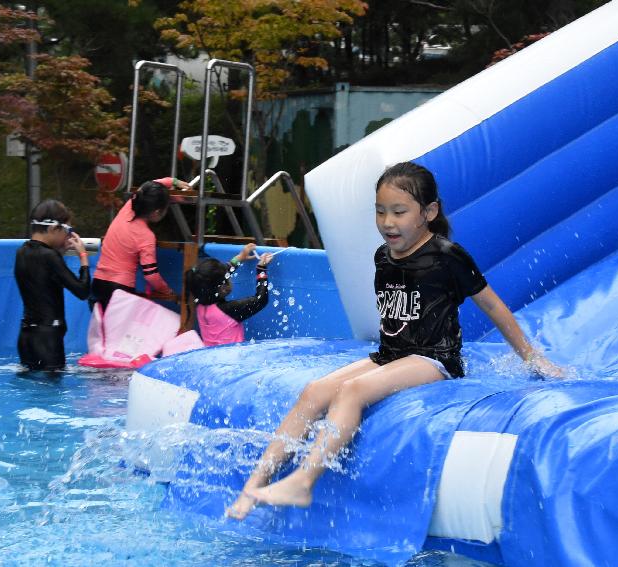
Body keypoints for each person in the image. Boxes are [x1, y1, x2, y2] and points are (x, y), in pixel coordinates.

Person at [226, 161, 562, 519]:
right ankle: (253, 485)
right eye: (380, 211)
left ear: (429, 212)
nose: (388, 222)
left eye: (399, 212)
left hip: (434, 360)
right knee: (314, 391)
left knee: (352, 391)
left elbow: (493, 305)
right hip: (391, 355)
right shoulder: (383, 256)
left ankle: (303, 482)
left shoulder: (447, 257)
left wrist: (531, 357)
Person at [15, 199, 90, 371]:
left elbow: (42, 279)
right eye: (67, 231)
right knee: (52, 393)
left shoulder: (21, 252)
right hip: (49, 339)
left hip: (26, 337)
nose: (68, 236)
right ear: (52, 229)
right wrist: (83, 257)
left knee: (29, 391)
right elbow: (82, 291)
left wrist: (58, 253)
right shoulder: (50, 257)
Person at [91, 177, 188, 310]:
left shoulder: (128, 208)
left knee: (101, 331)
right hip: (120, 290)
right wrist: (168, 292)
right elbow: (151, 276)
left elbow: (148, 186)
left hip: (97, 285)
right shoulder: (146, 236)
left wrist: (173, 181)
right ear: (156, 212)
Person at [184, 243, 274, 346]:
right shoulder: (229, 310)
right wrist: (261, 269)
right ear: (223, 288)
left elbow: (218, 275)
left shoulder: (200, 304)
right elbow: (260, 300)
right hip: (233, 359)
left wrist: (240, 257)